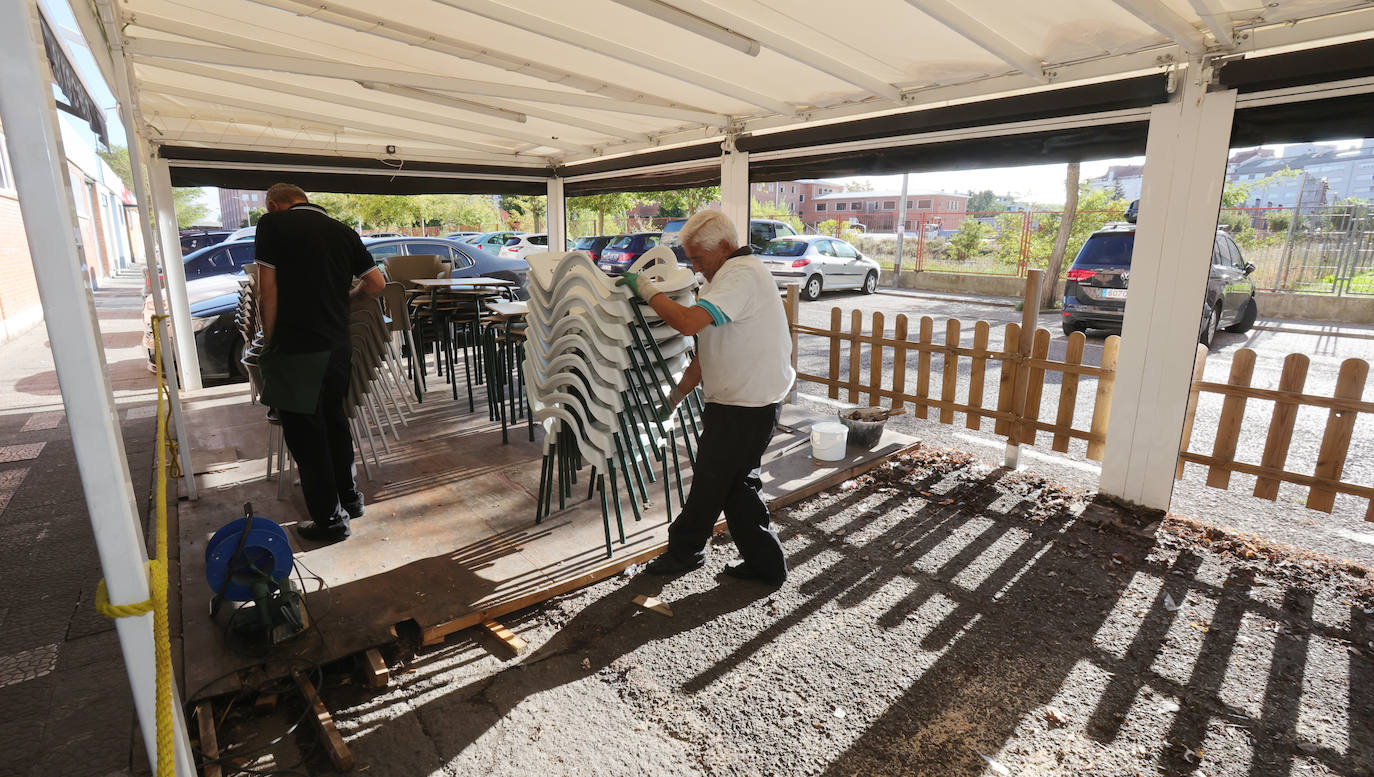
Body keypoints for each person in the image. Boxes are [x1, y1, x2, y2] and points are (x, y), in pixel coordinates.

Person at [615, 210, 793, 585]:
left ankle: (685, 550)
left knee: (714, 480)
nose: (694, 265)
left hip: (747, 404)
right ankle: (765, 564)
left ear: (725, 247)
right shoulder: (724, 277)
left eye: (698, 257)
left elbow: (687, 323)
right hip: (744, 400)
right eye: (690, 258)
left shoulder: (740, 276)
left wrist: (646, 290)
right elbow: (708, 349)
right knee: (736, 485)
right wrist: (677, 395)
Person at [255, 183, 385, 542]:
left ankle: (329, 521)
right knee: (334, 421)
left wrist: (270, 342)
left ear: (273, 205)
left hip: (296, 346)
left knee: (306, 435)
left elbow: (269, 289)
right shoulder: (344, 231)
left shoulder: (272, 225)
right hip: (338, 346)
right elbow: (376, 284)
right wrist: (350, 298)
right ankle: (351, 499)